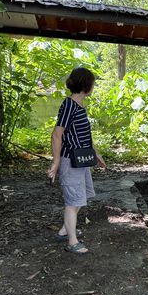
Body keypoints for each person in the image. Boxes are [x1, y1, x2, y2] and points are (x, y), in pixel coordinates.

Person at [47, 67, 106, 254]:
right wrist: (56, 163)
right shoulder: (69, 105)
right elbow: (57, 135)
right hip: (69, 160)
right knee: (73, 202)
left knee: (82, 197)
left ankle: (66, 229)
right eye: (93, 83)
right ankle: (72, 242)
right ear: (87, 85)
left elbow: (83, 135)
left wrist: (96, 154)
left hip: (81, 159)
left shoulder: (80, 106)